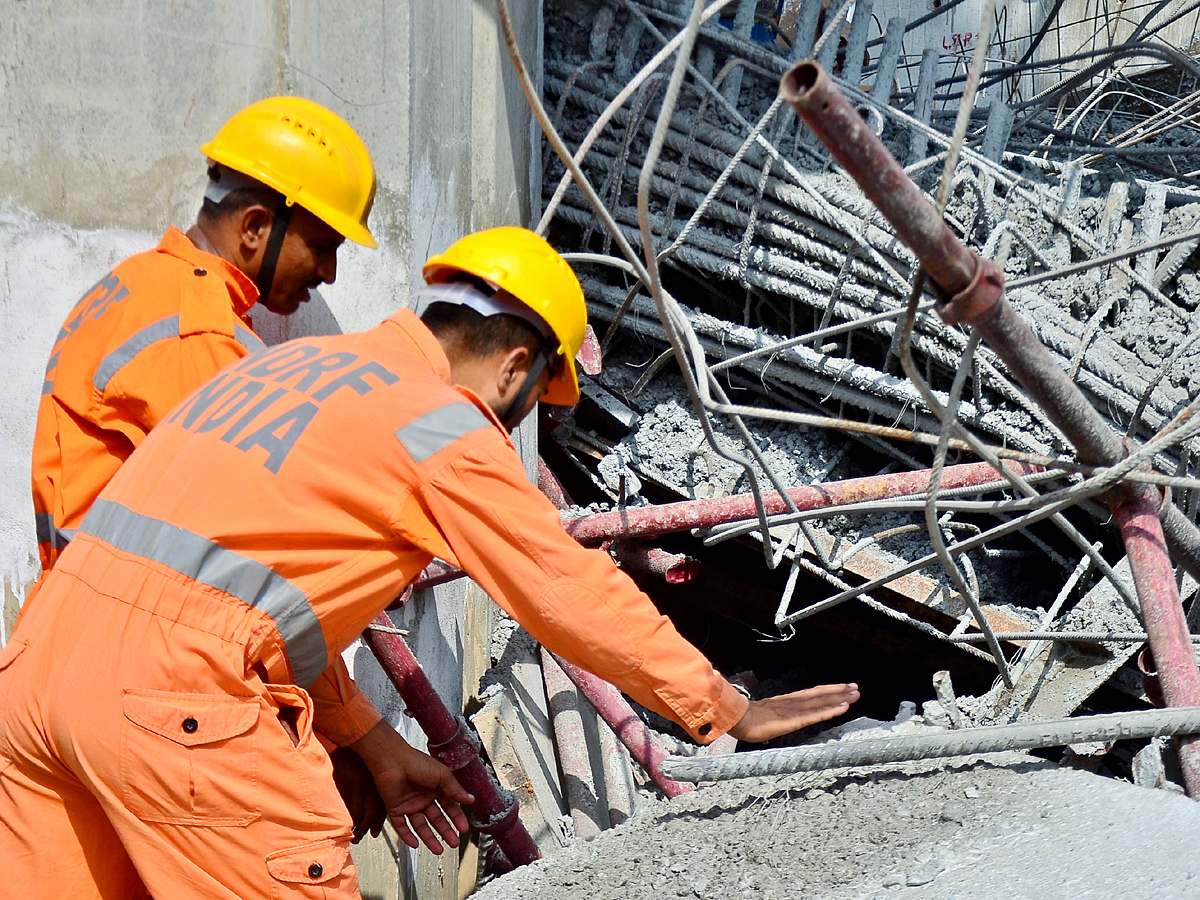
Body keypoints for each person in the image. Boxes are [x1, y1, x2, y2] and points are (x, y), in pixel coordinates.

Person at [0, 226, 860, 898]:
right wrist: (723, 707)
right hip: (171, 708)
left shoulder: (280, 369)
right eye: (527, 408)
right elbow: (564, 587)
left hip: (36, 677)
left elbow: (225, 602)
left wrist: (370, 739)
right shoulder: (437, 425)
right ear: (516, 365)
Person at [30, 95, 376, 573]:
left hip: (81, 609)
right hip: (126, 626)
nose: (329, 273)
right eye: (321, 247)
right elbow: (271, 516)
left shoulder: (140, 282)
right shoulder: (198, 331)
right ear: (254, 227)